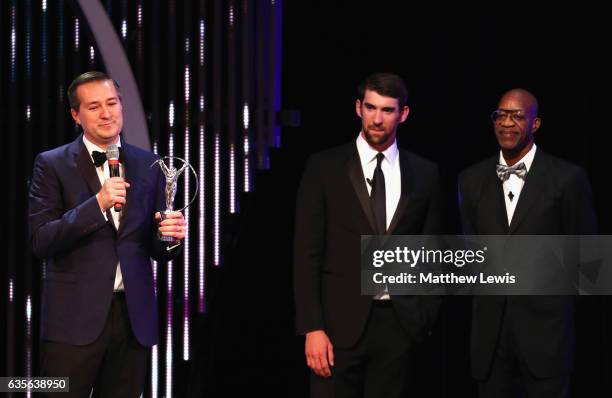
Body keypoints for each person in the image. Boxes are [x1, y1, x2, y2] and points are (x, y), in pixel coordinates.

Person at [28, 71, 186, 397]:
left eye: (112, 103)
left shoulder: (150, 164)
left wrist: (170, 238)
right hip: (73, 321)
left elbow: (154, 247)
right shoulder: (52, 164)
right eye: (94, 106)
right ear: (76, 115)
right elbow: (41, 240)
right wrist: (97, 204)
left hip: (132, 320)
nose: (106, 113)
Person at [293, 72, 442, 398]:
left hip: (399, 325)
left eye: (387, 110)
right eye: (371, 107)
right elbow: (306, 253)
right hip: (336, 326)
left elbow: (431, 249)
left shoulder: (424, 173)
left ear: (403, 114)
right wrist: (312, 327)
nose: (377, 119)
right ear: (358, 107)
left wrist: (424, 315)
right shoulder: (324, 167)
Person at [458, 89, 597, 397]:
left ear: (535, 124)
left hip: (547, 339)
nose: (507, 122)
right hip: (490, 340)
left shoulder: (567, 178)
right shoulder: (470, 179)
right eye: (500, 115)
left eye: (517, 115)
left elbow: (588, 264)